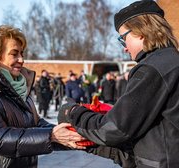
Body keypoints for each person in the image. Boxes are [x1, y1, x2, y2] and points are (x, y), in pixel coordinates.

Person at [58, 0, 179, 167]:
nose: (125, 48)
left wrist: (73, 113)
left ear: (140, 31)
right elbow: (156, 138)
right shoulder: (171, 61)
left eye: (123, 39)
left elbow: (115, 129)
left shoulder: (152, 68)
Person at [0, 25, 85, 168]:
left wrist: (69, 134)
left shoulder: (18, 87)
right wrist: (51, 135)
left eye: (22, 53)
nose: (21, 59)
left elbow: (33, 124)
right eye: (14, 53)